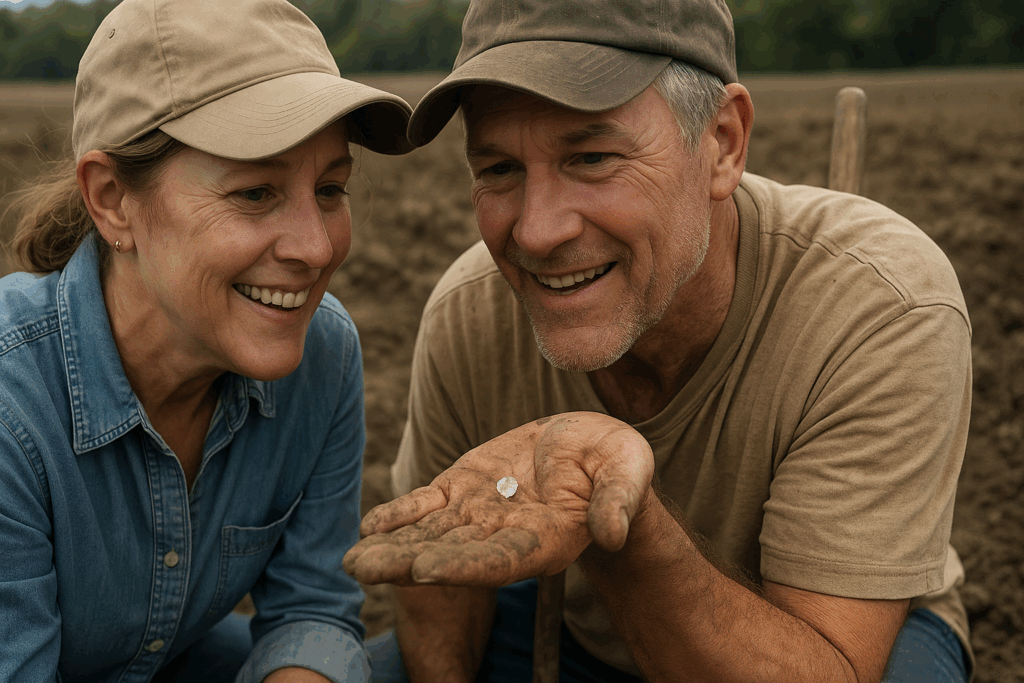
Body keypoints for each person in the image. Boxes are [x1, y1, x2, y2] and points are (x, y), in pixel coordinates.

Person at [343, 0, 975, 682]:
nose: (535, 232)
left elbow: (828, 666)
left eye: (590, 156)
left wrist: (624, 521)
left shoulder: (877, 307)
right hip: (578, 626)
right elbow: (440, 595)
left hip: (832, 638)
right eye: (499, 169)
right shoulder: (471, 312)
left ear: (723, 143)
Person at [0, 0, 413, 681]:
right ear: (111, 199)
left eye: (331, 187)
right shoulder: (17, 411)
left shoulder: (322, 355)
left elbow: (311, 603)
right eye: (254, 193)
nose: (316, 248)